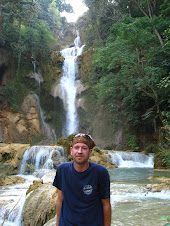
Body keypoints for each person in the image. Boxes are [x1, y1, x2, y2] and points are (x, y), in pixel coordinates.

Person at [53, 133, 111, 226]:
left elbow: (106, 204)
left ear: (90, 151)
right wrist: (57, 224)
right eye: (76, 147)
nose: (80, 151)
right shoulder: (62, 169)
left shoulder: (100, 172)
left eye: (84, 148)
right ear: (71, 150)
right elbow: (60, 200)